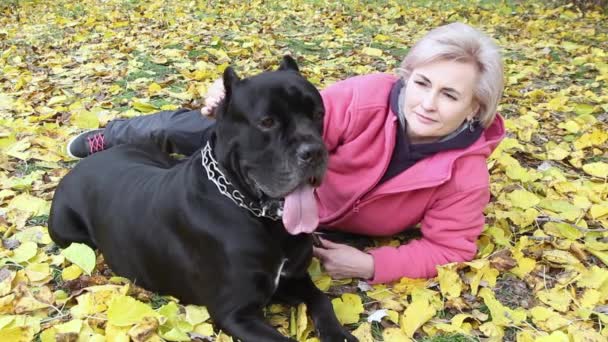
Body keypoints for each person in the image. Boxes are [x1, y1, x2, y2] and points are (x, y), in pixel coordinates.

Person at [65, 22, 505, 284]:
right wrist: (239, 95)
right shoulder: (365, 99)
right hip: (276, 162)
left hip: (301, 203)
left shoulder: (464, 173)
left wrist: (371, 264)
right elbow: (288, 117)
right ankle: (116, 135)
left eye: (449, 95)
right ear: (406, 79)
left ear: (475, 107)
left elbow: (449, 248)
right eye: (423, 84)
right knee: (195, 132)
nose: (427, 103)